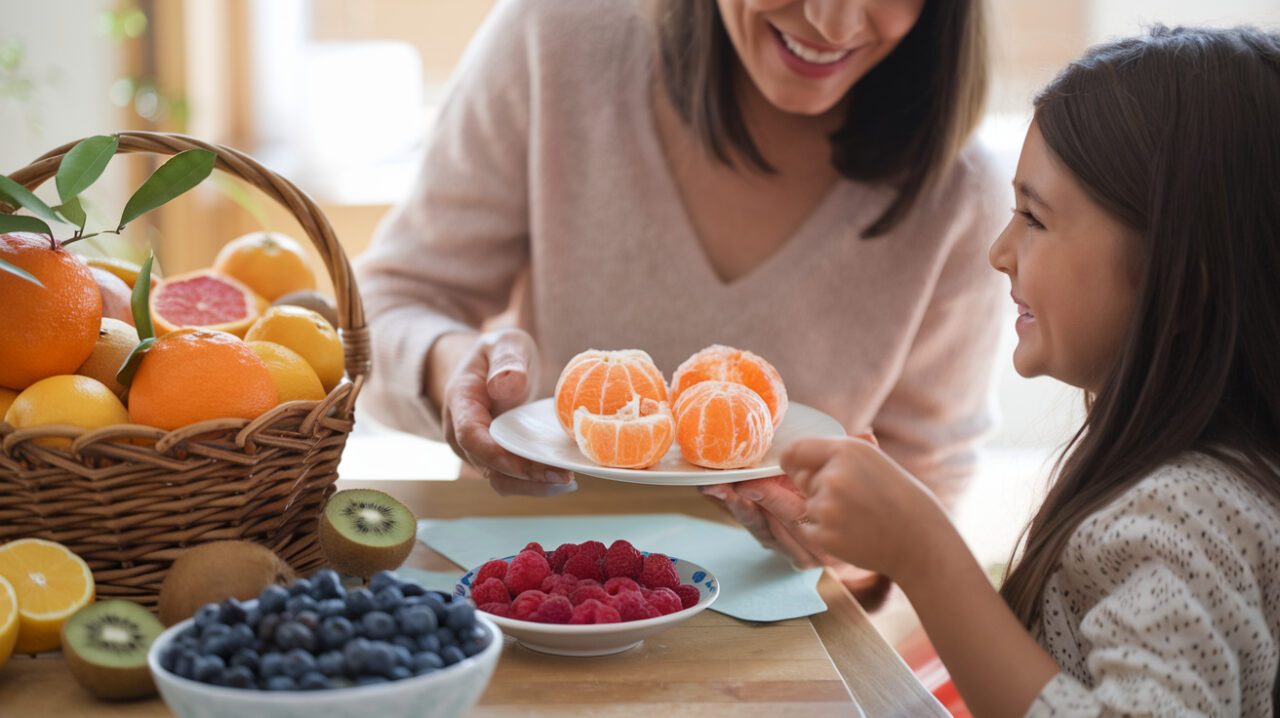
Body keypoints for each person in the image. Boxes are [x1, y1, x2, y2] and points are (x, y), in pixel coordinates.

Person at [355, 0, 1004, 588]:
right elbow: (382, 305)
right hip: (521, 595)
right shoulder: (554, 40)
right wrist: (451, 367)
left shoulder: (962, 195)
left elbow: (925, 495)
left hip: (766, 637)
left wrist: (845, 548)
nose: (832, 23)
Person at [785, 25, 1280, 715]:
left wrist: (926, 554)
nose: (999, 251)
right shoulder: (1209, 483)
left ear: (1181, 285)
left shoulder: (1185, 513)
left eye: (1034, 219)